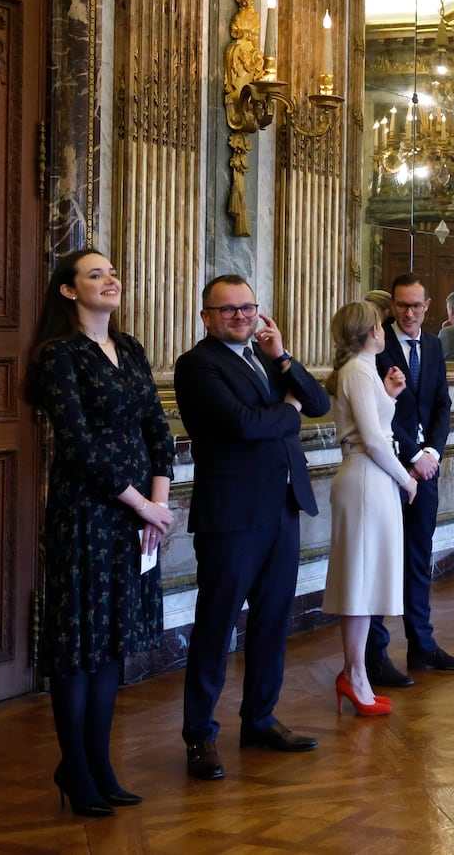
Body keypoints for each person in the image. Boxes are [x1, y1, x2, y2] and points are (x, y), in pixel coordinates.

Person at [26, 249, 176, 816]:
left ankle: (96, 763)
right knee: (78, 643)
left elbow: (158, 430)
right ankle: (77, 770)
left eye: (113, 272)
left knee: (112, 637)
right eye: (95, 274)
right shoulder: (57, 356)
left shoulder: (132, 349)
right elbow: (79, 447)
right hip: (85, 514)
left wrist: (157, 506)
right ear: (69, 291)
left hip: (138, 516)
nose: (111, 280)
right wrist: (143, 505)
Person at [175, 273, 330, 781]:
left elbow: (320, 403)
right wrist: (288, 408)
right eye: (228, 310)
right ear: (206, 317)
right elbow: (245, 426)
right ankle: (200, 734)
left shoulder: (266, 359)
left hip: (282, 510)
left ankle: (259, 719)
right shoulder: (197, 365)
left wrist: (283, 357)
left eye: (247, 307)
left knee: (271, 622)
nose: (241, 316)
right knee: (217, 626)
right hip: (232, 516)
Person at [368, 274, 454, 686]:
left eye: (416, 305)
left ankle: (422, 645)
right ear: (392, 306)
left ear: (428, 306)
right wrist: (411, 454)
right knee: (379, 561)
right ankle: (375, 653)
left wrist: (431, 454)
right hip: (385, 469)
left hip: (425, 472)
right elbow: (378, 412)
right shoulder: (376, 346)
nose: (409, 313)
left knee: (416, 558)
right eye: (402, 305)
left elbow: (441, 406)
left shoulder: (432, 344)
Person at [323, 301, 417, 718]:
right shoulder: (358, 371)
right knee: (359, 583)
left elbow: (376, 427)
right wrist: (406, 477)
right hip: (365, 477)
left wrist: (390, 396)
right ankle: (355, 675)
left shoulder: (364, 371)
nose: (384, 331)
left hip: (370, 476)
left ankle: (355, 673)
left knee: (365, 581)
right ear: (368, 333)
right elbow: (375, 441)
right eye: (379, 325)